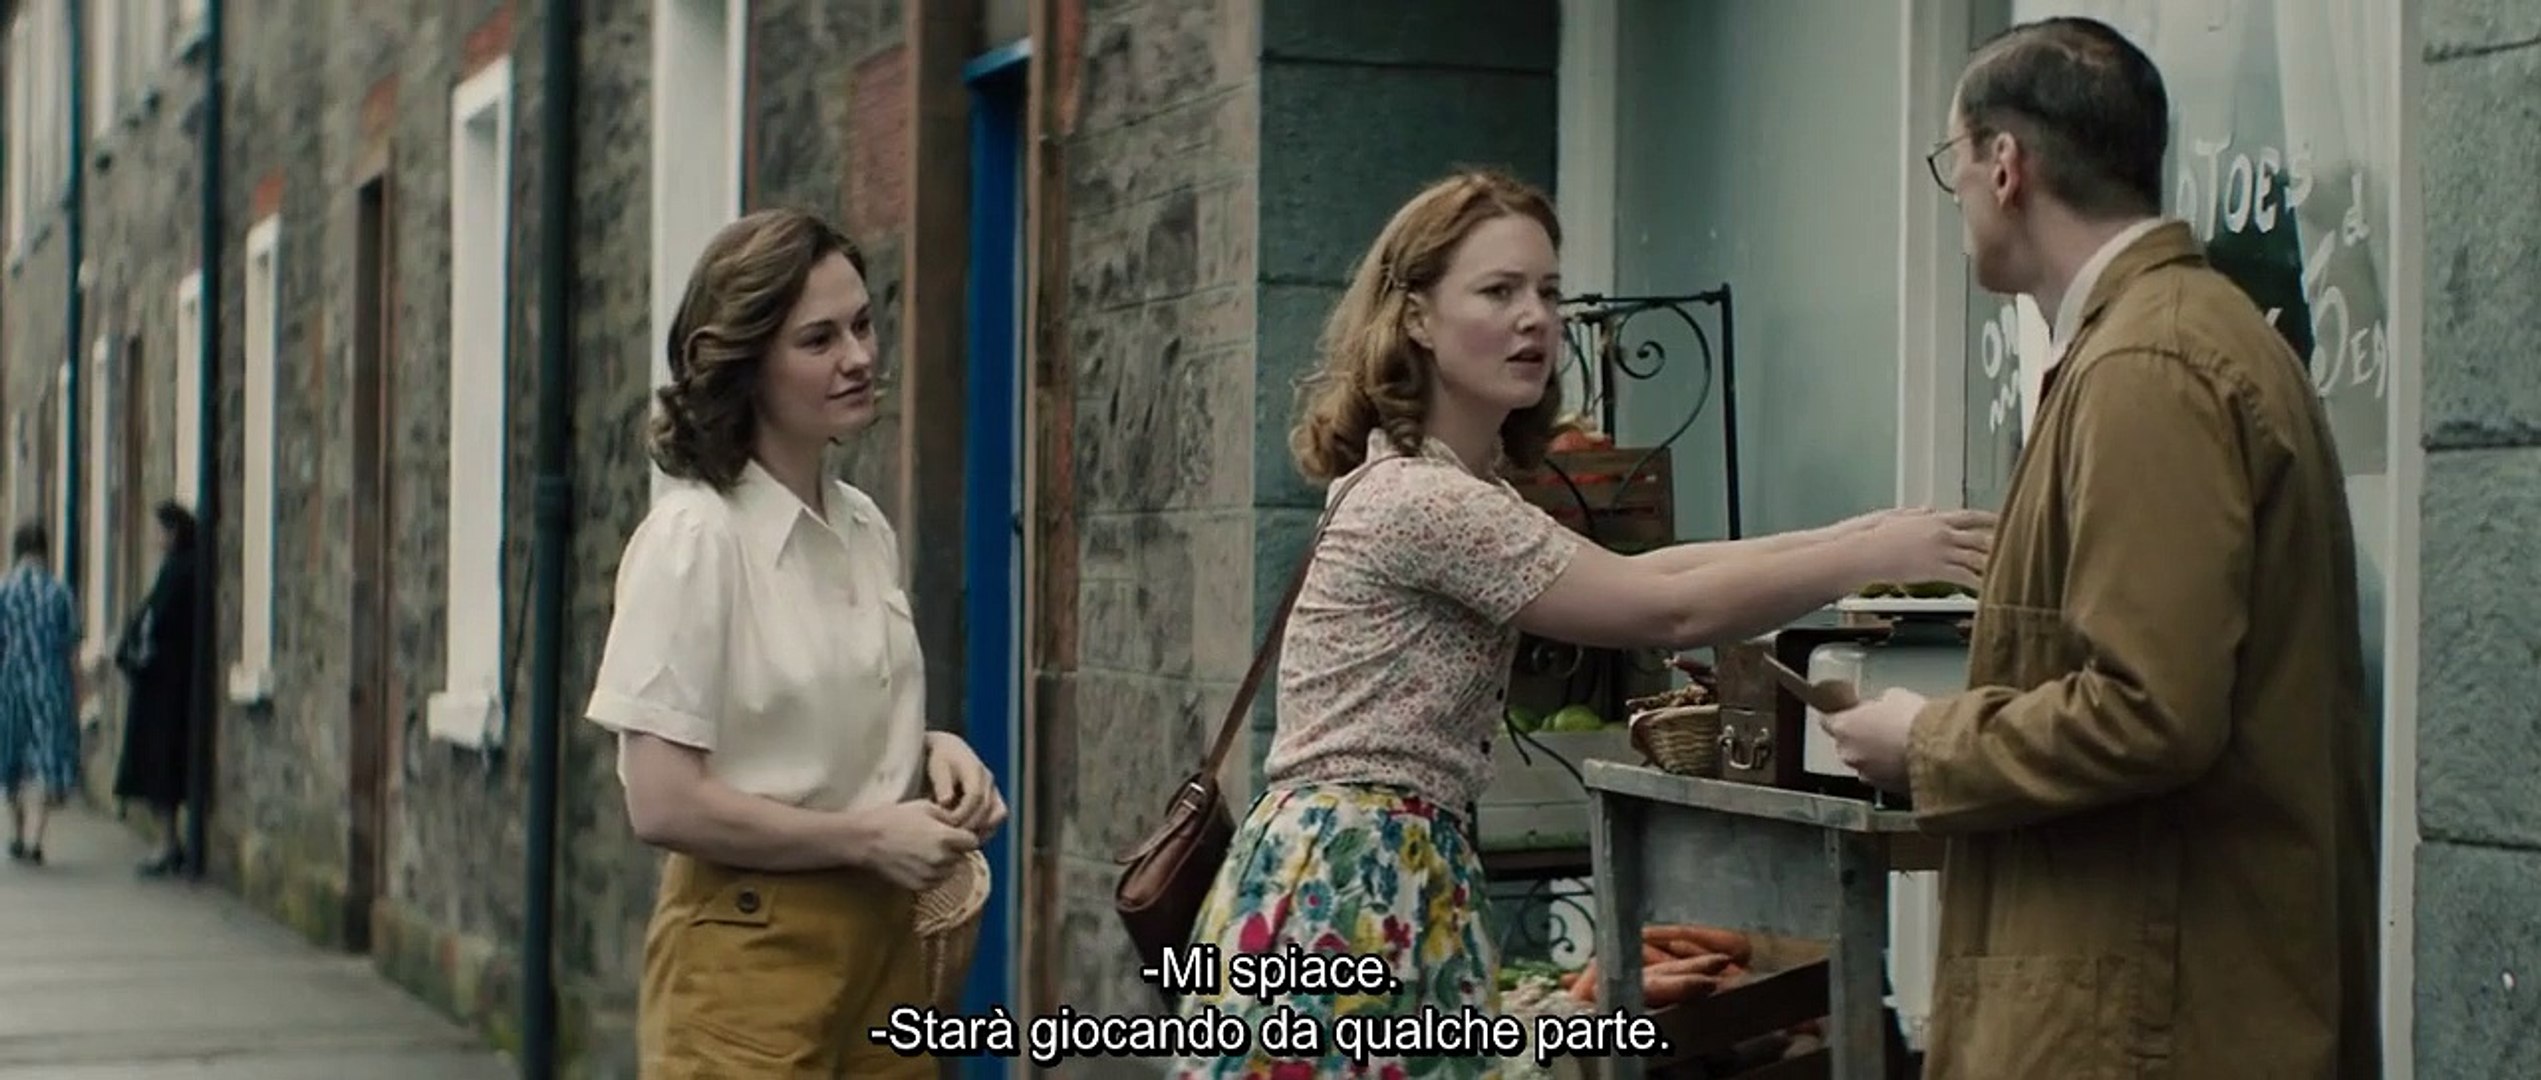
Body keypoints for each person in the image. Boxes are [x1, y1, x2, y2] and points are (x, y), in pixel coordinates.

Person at [1169, 169, 1994, 1080]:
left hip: (1367, 867)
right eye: (1498, 291)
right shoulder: (1424, 501)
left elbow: (1650, 572)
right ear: (1414, 318)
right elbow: (1662, 610)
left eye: (1548, 291)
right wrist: (1862, 556)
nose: (1535, 318)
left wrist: (1857, 536)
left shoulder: (1443, 484)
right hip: (1356, 880)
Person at [1819, 17, 2379, 1078]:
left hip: (2152, 1021)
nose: (1957, 198)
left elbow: (2150, 710)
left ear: (2005, 165)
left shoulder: (2147, 365)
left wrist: (1924, 742)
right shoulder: (2164, 339)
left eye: (1952, 164)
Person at [585, 208, 1008, 1078]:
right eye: (818, 339)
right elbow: (662, 803)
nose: (857, 356)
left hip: (886, 948)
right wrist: (866, 837)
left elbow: (797, 726)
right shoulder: (694, 539)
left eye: (862, 324)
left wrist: (929, 750)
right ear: (745, 366)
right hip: (746, 957)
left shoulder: (861, 526)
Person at [112, 501, 202, 876]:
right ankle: (168, 842)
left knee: (161, 767)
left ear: (174, 532)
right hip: (160, 685)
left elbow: (160, 621)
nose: (155, 538)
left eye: (160, 531)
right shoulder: (176, 569)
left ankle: (168, 844)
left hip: (165, 688)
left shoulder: (182, 570)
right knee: (156, 767)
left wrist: (136, 653)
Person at [0, 522, 83, 866]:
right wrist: (77, 694)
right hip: (50, 683)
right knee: (45, 761)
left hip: (9, 683)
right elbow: (72, 648)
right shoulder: (59, 592)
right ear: (45, 551)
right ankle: (35, 838)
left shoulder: (4, 591)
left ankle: (17, 834)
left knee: (12, 758)